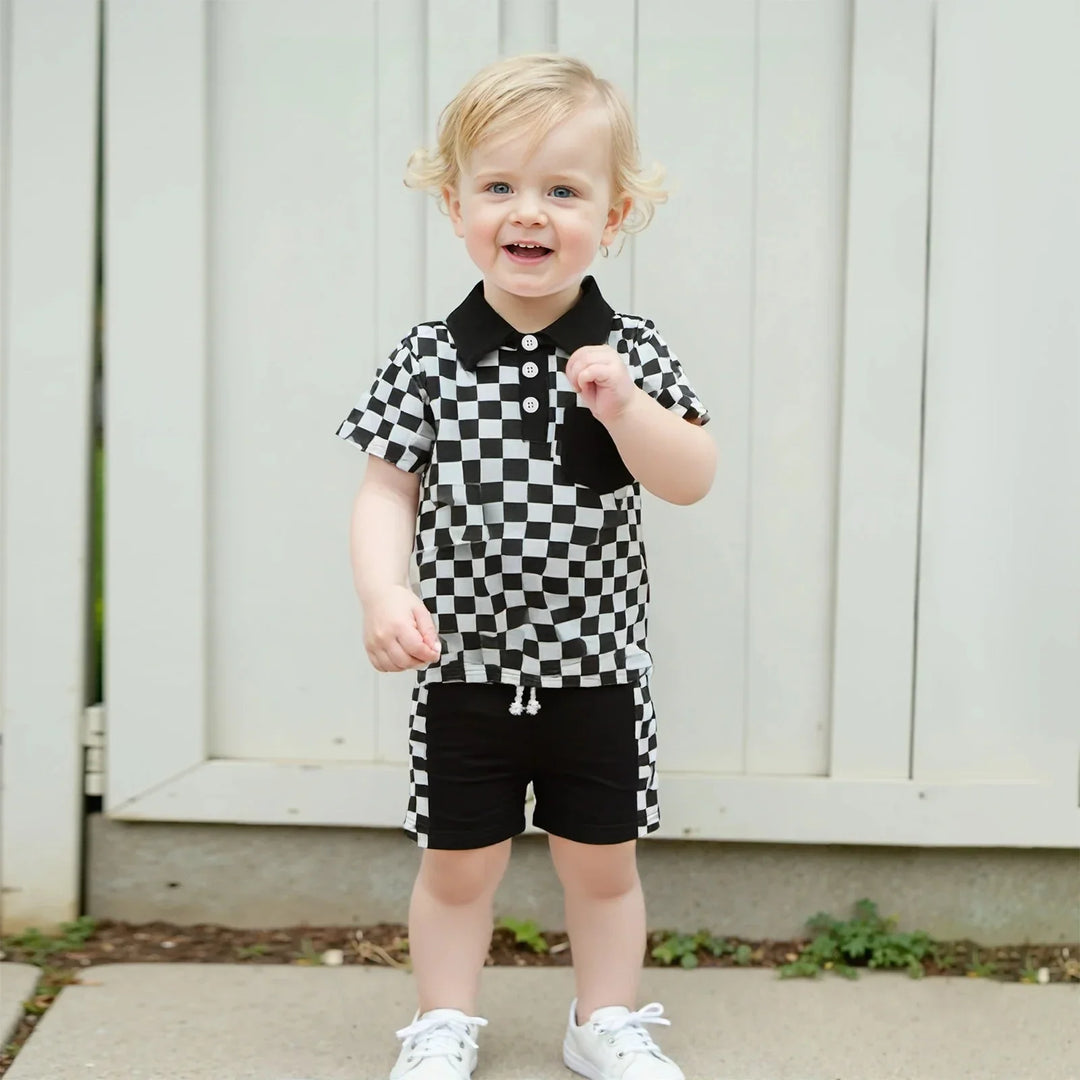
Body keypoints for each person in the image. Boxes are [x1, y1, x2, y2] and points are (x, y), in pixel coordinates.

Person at [337, 53, 715, 1080]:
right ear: (455, 205)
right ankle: (443, 1023)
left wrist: (626, 409)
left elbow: (691, 475)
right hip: (462, 668)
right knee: (459, 866)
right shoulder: (428, 356)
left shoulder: (630, 350)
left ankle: (605, 1019)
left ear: (616, 212)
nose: (528, 213)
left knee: (602, 865)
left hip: (596, 665)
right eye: (499, 186)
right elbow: (386, 490)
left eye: (562, 189)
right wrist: (385, 591)